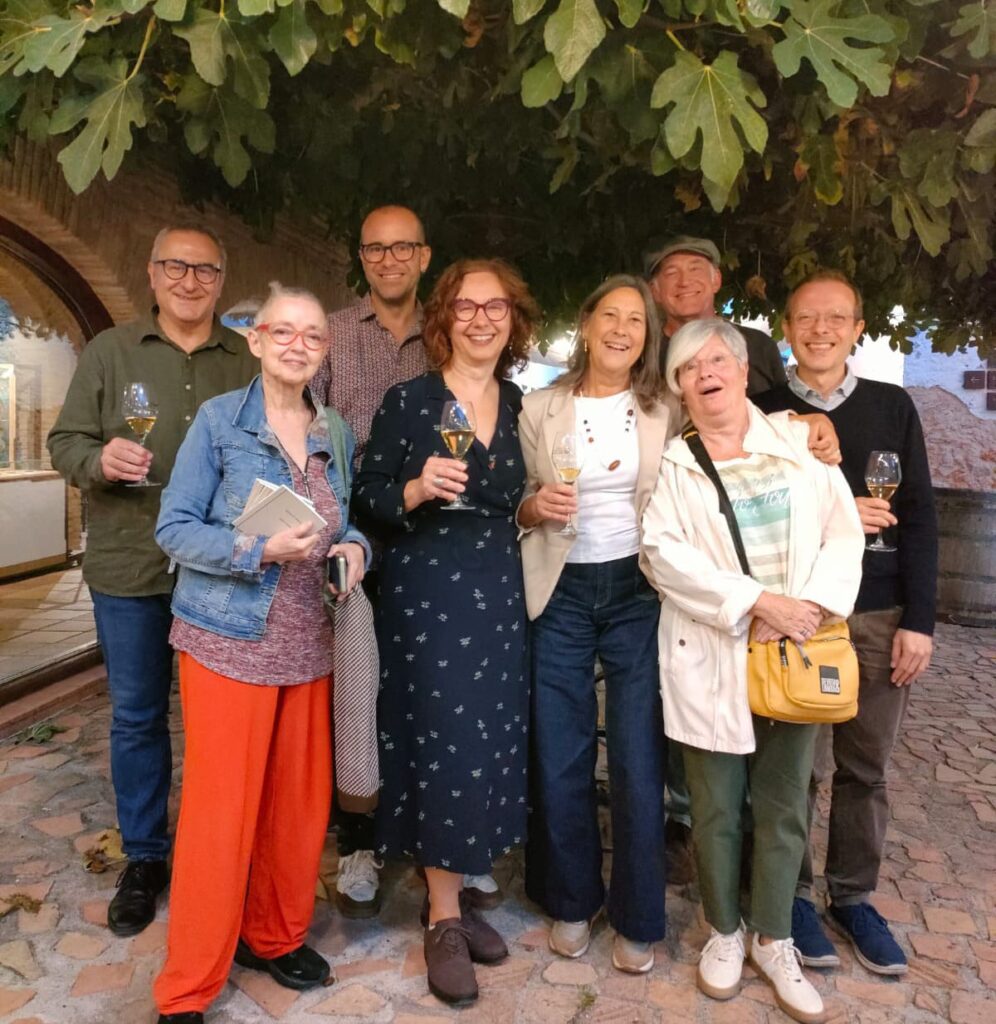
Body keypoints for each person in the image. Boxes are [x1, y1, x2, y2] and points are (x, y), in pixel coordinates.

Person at [151, 285, 370, 1024]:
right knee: (220, 818)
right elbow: (174, 528)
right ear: (256, 339)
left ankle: (271, 937)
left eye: (313, 336)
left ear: (324, 350)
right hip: (228, 645)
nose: (298, 345)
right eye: (284, 331)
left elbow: (348, 521)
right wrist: (258, 549)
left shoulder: (333, 430)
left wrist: (355, 549)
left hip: (310, 646)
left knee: (296, 813)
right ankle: (188, 987)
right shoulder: (219, 422)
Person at [642, 318, 863, 1024]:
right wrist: (756, 602)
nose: (705, 373)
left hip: (794, 646)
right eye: (689, 368)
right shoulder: (674, 465)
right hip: (713, 650)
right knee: (714, 806)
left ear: (743, 371)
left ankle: (773, 936)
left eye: (717, 360)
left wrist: (808, 608)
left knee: (783, 802)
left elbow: (843, 531)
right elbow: (662, 556)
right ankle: (723, 930)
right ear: (680, 388)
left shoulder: (798, 442)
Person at [47, 226, 258, 937]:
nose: (189, 280)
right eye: (176, 266)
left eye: (205, 269)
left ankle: (215, 851)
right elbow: (65, 441)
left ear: (221, 279)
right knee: (138, 717)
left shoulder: (246, 360)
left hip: (217, 572)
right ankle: (144, 857)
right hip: (130, 564)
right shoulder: (110, 352)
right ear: (152, 271)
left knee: (217, 722)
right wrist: (97, 461)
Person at [353, 258, 539, 1005]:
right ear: (444, 318)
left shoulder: (522, 405)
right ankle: (442, 918)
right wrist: (415, 487)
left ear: (513, 320)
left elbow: (519, 500)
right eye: (466, 306)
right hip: (427, 593)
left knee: (487, 740)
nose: (481, 318)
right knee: (441, 741)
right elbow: (367, 495)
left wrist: (537, 508)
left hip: (498, 591)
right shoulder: (409, 400)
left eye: (496, 307)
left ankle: (455, 894)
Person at [754, 270, 937, 976]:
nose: (821, 329)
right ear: (787, 328)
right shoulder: (762, 410)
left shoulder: (893, 405)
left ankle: (854, 897)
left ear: (858, 329)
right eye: (807, 317)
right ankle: (794, 896)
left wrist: (920, 621)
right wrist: (833, 513)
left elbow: (918, 517)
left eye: (836, 318)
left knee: (866, 768)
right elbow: (753, 512)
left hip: (880, 610)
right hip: (801, 612)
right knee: (794, 768)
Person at [517, 275, 675, 973]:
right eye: (609, 314)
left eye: (635, 320)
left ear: (647, 337)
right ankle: (571, 899)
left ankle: (638, 915)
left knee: (639, 755)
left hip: (638, 590)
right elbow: (517, 497)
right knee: (561, 748)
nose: (620, 329)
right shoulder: (539, 406)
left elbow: (734, 430)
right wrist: (532, 508)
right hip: (562, 588)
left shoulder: (666, 407)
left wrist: (806, 427)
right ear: (585, 324)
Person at [644, 235, 788, 880]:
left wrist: (812, 428)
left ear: (718, 280)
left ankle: (756, 827)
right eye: (670, 272)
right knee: (678, 686)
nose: (684, 281)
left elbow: (780, 421)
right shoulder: (642, 345)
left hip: (748, 543)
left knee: (754, 688)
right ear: (655, 288)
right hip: (667, 529)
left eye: (696, 269)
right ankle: (683, 819)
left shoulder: (753, 346)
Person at [309, 204, 434, 919]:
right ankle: (357, 841)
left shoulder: (444, 333)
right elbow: (307, 431)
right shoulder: (331, 333)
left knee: (421, 691)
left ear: (423, 256)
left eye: (401, 248)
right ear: (362, 258)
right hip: (350, 540)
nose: (389, 260)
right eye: (375, 249)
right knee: (354, 696)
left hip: (427, 537)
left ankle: (422, 833)